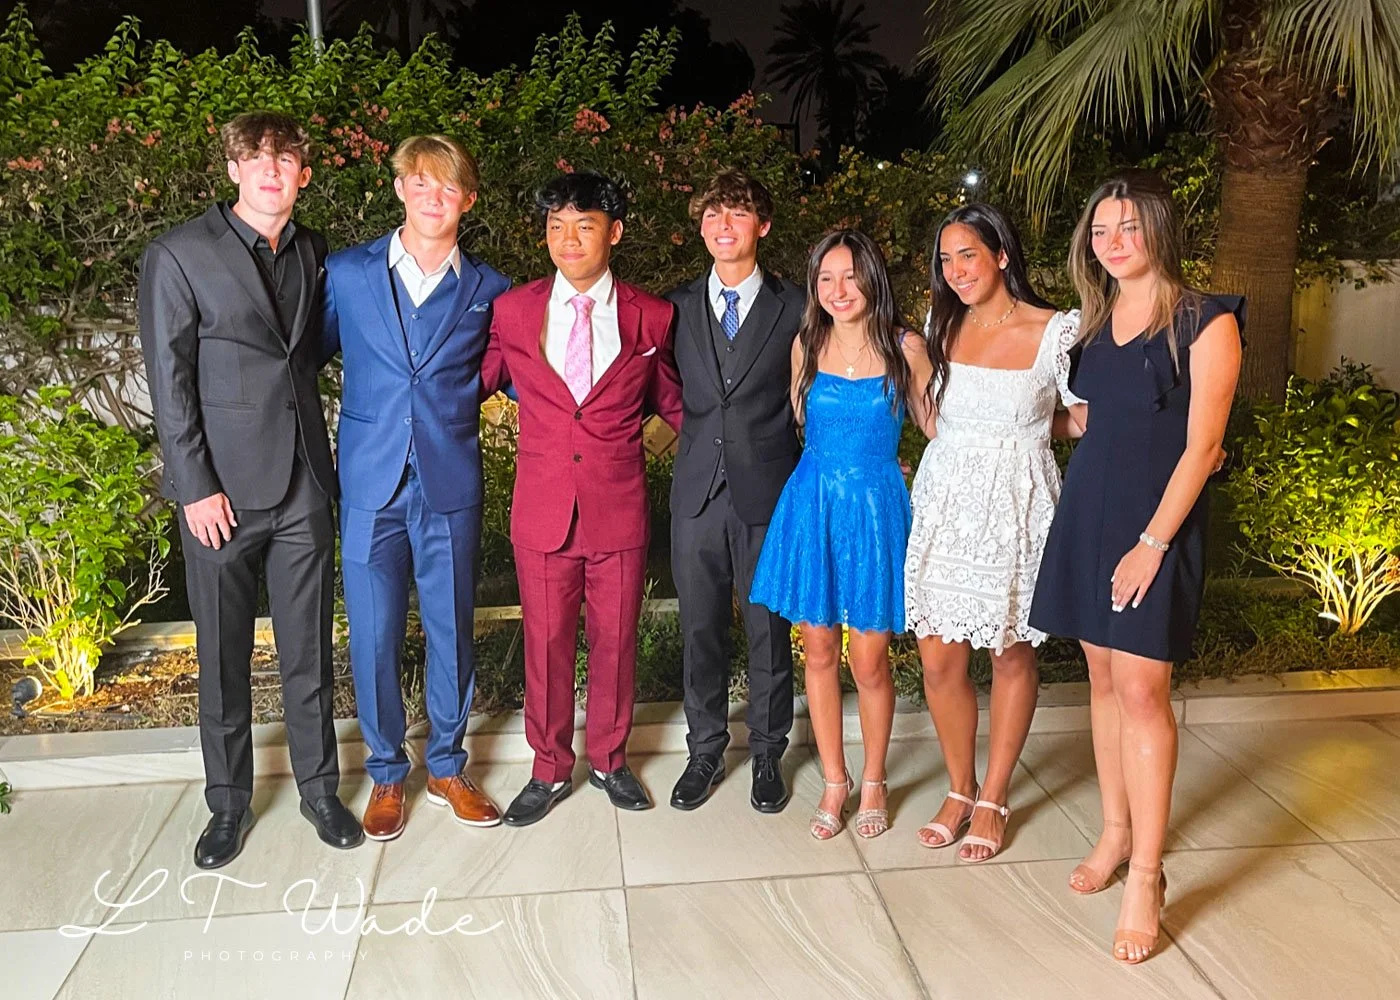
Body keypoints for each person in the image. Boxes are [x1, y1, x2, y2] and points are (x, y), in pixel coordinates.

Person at [138, 112, 362, 869]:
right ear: (234, 170)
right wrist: (194, 486)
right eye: (257, 159)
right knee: (223, 655)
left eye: (286, 159)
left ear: (304, 174)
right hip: (221, 494)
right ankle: (228, 804)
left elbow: (304, 355)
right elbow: (169, 382)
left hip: (304, 484)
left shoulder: (311, 249)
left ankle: (320, 791)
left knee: (308, 652)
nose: (272, 170)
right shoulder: (179, 254)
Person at [1029, 171, 1243, 963]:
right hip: (1088, 512)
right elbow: (1089, 422)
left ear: (1159, 228)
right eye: (1100, 230)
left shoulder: (1206, 322)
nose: (1113, 243)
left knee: (1144, 689)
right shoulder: (1090, 325)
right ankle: (1115, 833)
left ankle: (1147, 875)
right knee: (1102, 679)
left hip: (1156, 526)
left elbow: (1205, 449)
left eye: (1128, 227)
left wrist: (1152, 544)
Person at [321, 135, 511, 841]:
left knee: (451, 630)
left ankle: (448, 767)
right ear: (400, 188)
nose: (435, 198)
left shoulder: (490, 289)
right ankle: (384, 773)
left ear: (469, 200)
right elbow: (305, 357)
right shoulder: (347, 273)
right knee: (373, 636)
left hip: (449, 481)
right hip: (369, 483)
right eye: (422, 183)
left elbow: (510, 373)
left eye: (449, 187)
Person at [483, 172, 684, 826]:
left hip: (617, 507)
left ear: (614, 232)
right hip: (542, 508)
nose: (568, 240)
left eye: (585, 226)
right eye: (556, 227)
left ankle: (609, 760)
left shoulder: (652, 316)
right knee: (544, 646)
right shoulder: (513, 311)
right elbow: (468, 384)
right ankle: (548, 768)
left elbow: (677, 402)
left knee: (616, 642)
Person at [905, 203, 1083, 862]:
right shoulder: (941, 325)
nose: (956, 271)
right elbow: (934, 422)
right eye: (946, 259)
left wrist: (1031, 430)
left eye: (968, 255)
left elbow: (1081, 420)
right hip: (945, 503)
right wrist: (917, 368)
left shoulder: (1057, 331)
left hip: (1017, 508)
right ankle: (960, 787)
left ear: (1002, 255)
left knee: (1010, 654)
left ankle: (995, 796)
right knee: (938, 658)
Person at [750, 229, 932, 841]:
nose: (838, 289)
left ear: (873, 277)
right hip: (815, 505)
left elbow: (937, 428)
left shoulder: (907, 347)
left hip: (877, 510)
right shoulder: (807, 344)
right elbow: (805, 424)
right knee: (820, 651)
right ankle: (835, 779)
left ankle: (875, 779)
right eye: (826, 278)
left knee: (871, 659)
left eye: (851, 276)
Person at [666, 170, 805, 814]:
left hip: (768, 490)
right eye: (713, 214)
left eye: (739, 214)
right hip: (696, 492)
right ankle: (704, 750)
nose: (724, 226)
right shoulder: (674, 307)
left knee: (767, 628)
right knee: (700, 627)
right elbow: (665, 389)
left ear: (762, 226)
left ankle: (769, 751)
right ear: (701, 228)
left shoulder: (795, 306)